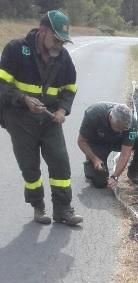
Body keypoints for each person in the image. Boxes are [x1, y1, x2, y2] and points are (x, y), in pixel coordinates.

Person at [0, 10, 83, 226]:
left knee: (60, 163)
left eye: (63, 41)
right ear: (42, 30)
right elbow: (2, 85)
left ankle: (63, 209)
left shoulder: (63, 59)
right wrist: (23, 99)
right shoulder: (16, 50)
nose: (60, 45)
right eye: (56, 39)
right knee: (30, 167)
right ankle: (38, 207)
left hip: (49, 119)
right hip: (19, 120)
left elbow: (70, 89)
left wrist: (62, 111)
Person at [77, 102, 138, 189]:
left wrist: (115, 176)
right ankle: (90, 166)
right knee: (100, 182)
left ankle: (133, 173)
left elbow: (125, 153)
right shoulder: (93, 113)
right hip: (99, 143)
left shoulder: (131, 122)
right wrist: (95, 160)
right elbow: (81, 141)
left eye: (124, 129)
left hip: (118, 141)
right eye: (119, 128)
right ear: (110, 118)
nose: (121, 131)